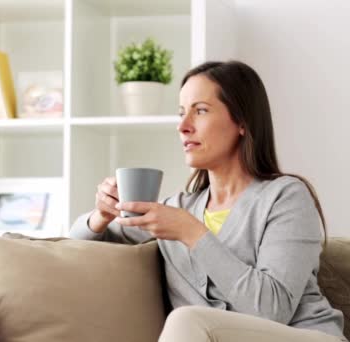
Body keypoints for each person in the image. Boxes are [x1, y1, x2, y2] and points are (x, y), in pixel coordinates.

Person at [69, 61, 347, 342]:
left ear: (242, 122)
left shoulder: (286, 197)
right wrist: (101, 215)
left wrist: (192, 233)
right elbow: (75, 247)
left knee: (186, 319)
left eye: (200, 111)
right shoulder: (176, 210)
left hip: (303, 337)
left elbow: (272, 310)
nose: (183, 126)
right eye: (181, 113)